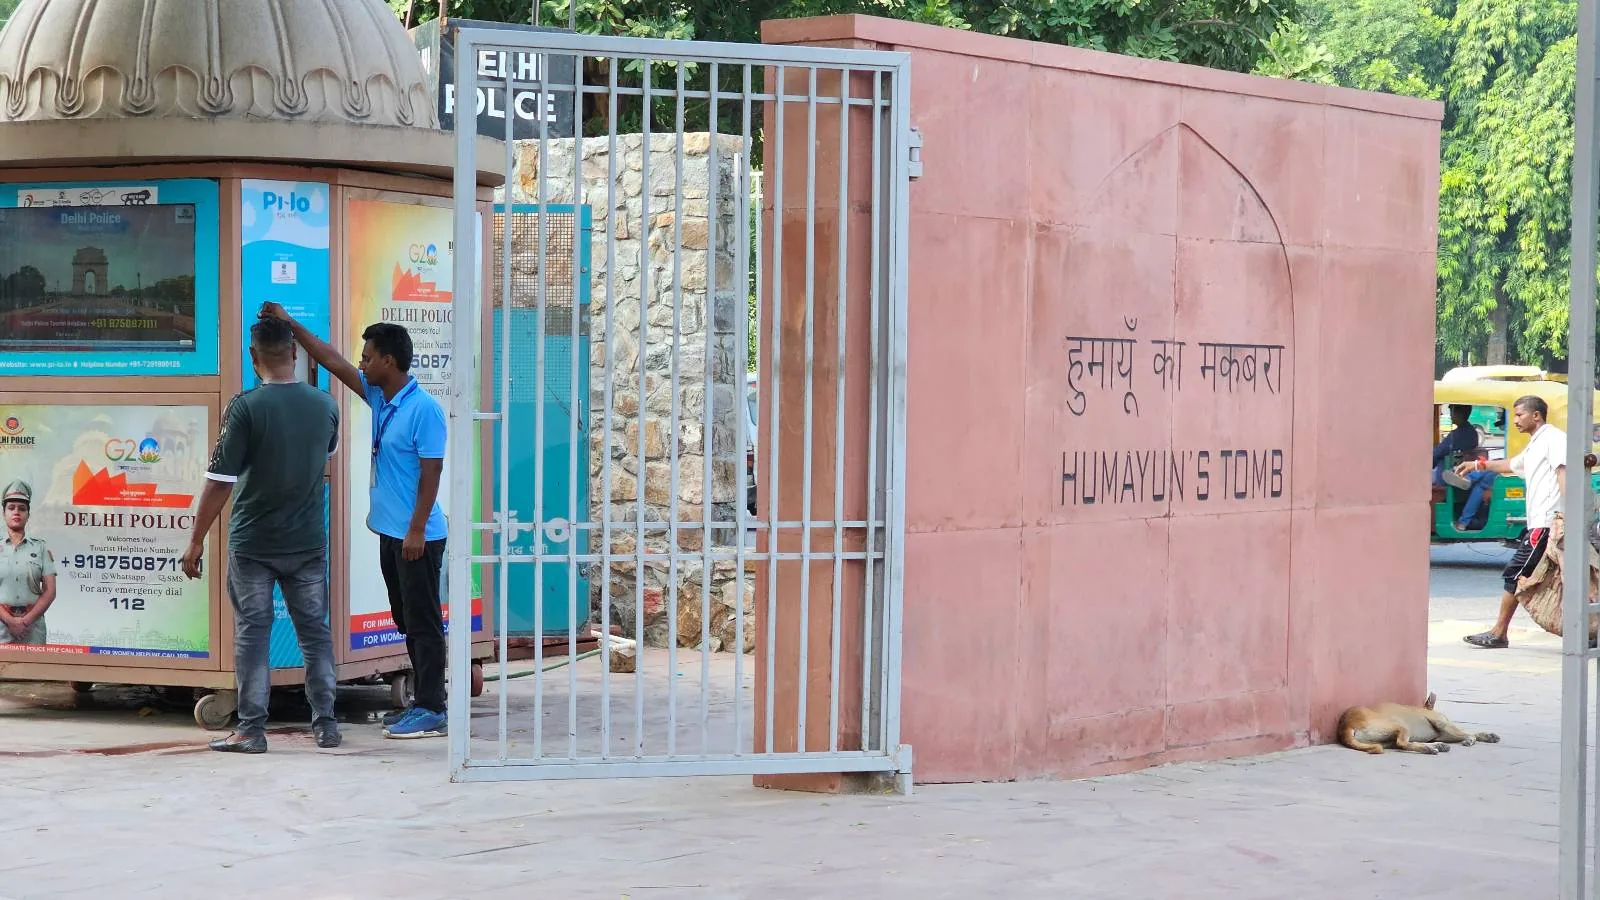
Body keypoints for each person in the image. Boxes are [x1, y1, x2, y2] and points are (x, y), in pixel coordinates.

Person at [260, 302, 449, 740]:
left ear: (388, 360)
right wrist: (290, 323)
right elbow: (332, 360)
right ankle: (423, 701)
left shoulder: (424, 409)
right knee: (405, 618)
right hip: (391, 533)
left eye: (368, 356)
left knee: (422, 621)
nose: (362, 362)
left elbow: (432, 472)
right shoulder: (382, 398)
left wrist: (417, 529)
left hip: (417, 536)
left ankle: (432, 707)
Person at [182, 316, 342, 753]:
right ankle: (326, 724)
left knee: (253, 633)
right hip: (308, 542)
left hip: (253, 543)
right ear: (295, 353)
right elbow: (326, 456)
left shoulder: (245, 407)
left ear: (254, 357)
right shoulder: (326, 404)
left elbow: (219, 481)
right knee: (314, 631)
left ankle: (252, 731)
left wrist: (196, 540)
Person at [1459, 395, 1567, 649]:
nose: (1515, 420)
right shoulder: (1536, 444)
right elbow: (1512, 464)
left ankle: (1499, 632)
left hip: (1546, 523)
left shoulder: (1554, 439)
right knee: (1562, 579)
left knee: (1516, 573)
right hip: (1540, 524)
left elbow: (1564, 471)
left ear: (1536, 416)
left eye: (1519, 415)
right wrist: (1478, 464)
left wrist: (1567, 515)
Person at [0, 480, 56, 646]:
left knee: (34, 672)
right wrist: (10, 621)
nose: (16, 512)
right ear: (4, 513)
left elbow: (50, 591)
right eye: (11, 508)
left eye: (22, 508)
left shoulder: (41, 548)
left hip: (33, 629)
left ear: (28, 515)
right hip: (2, 627)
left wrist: (25, 622)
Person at [1434, 404, 1480, 485]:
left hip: (1449, 473)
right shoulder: (1471, 431)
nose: (1450, 415)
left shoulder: (1458, 434)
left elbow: (1438, 452)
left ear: (1460, 414)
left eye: (1452, 412)